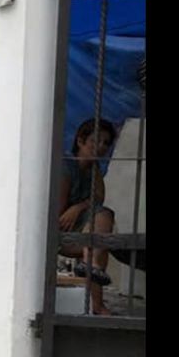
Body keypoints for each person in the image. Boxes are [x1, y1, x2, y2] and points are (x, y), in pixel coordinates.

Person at [58, 118, 117, 315]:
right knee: (98, 240)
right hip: (59, 233)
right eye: (95, 140)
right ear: (80, 141)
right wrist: (75, 209)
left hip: (83, 234)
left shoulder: (94, 169)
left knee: (104, 219)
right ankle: (97, 303)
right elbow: (57, 215)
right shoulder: (66, 167)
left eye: (106, 143)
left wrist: (79, 207)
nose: (101, 147)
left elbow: (98, 198)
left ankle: (92, 274)